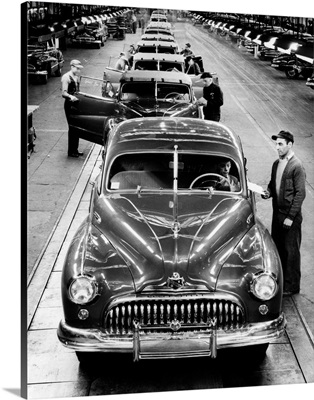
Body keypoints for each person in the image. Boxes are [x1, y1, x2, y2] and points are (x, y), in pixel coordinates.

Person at [262, 130, 306, 296]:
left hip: (290, 217)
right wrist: (268, 192)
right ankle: (280, 281)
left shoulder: (296, 166)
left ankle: (292, 286)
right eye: (276, 144)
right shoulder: (276, 163)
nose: (277, 147)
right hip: (277, 213)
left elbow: (300, 194)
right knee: (278, 248)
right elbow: (273, 183)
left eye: (280, 144)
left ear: (290, 145)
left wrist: (290, 217)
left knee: (291, 251)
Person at [61, 59, 84, 158]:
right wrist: (71, 97)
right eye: (77, 68)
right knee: (72, 127)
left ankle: (75, 149)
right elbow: (64, 93)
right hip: (69, 104)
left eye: (80, 69)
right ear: (72, 67)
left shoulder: (77, 77)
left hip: (76, 104)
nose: (79, 71)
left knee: (77, 127)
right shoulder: (66, 77)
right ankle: (71, 151)